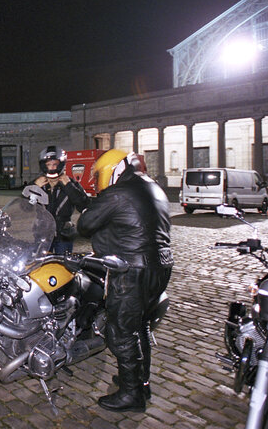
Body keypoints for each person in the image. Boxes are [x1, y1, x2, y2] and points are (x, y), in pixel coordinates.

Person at [77, 149, 173, 413]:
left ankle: (132, 394)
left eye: (99, 175)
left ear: (111, 171)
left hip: (132, 270)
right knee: (140, 325)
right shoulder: (152, 187)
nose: (97, 181)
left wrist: (90, 204)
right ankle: (140, 382)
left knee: (120, 331)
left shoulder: (117, 193)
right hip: (161, 266)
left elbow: (85, 225)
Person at [33, 146, 88, 254]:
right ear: (43, 165)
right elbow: (24, 206)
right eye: (48, 164)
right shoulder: (37, 184)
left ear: (60, 165)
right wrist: (35, 187)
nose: (52, 168)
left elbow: (84, 205)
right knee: (40, 265)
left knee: (63, 264)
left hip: (64, 234)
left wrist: (68, 186)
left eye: (55, 164)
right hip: (42, 233)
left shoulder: (71, 184)